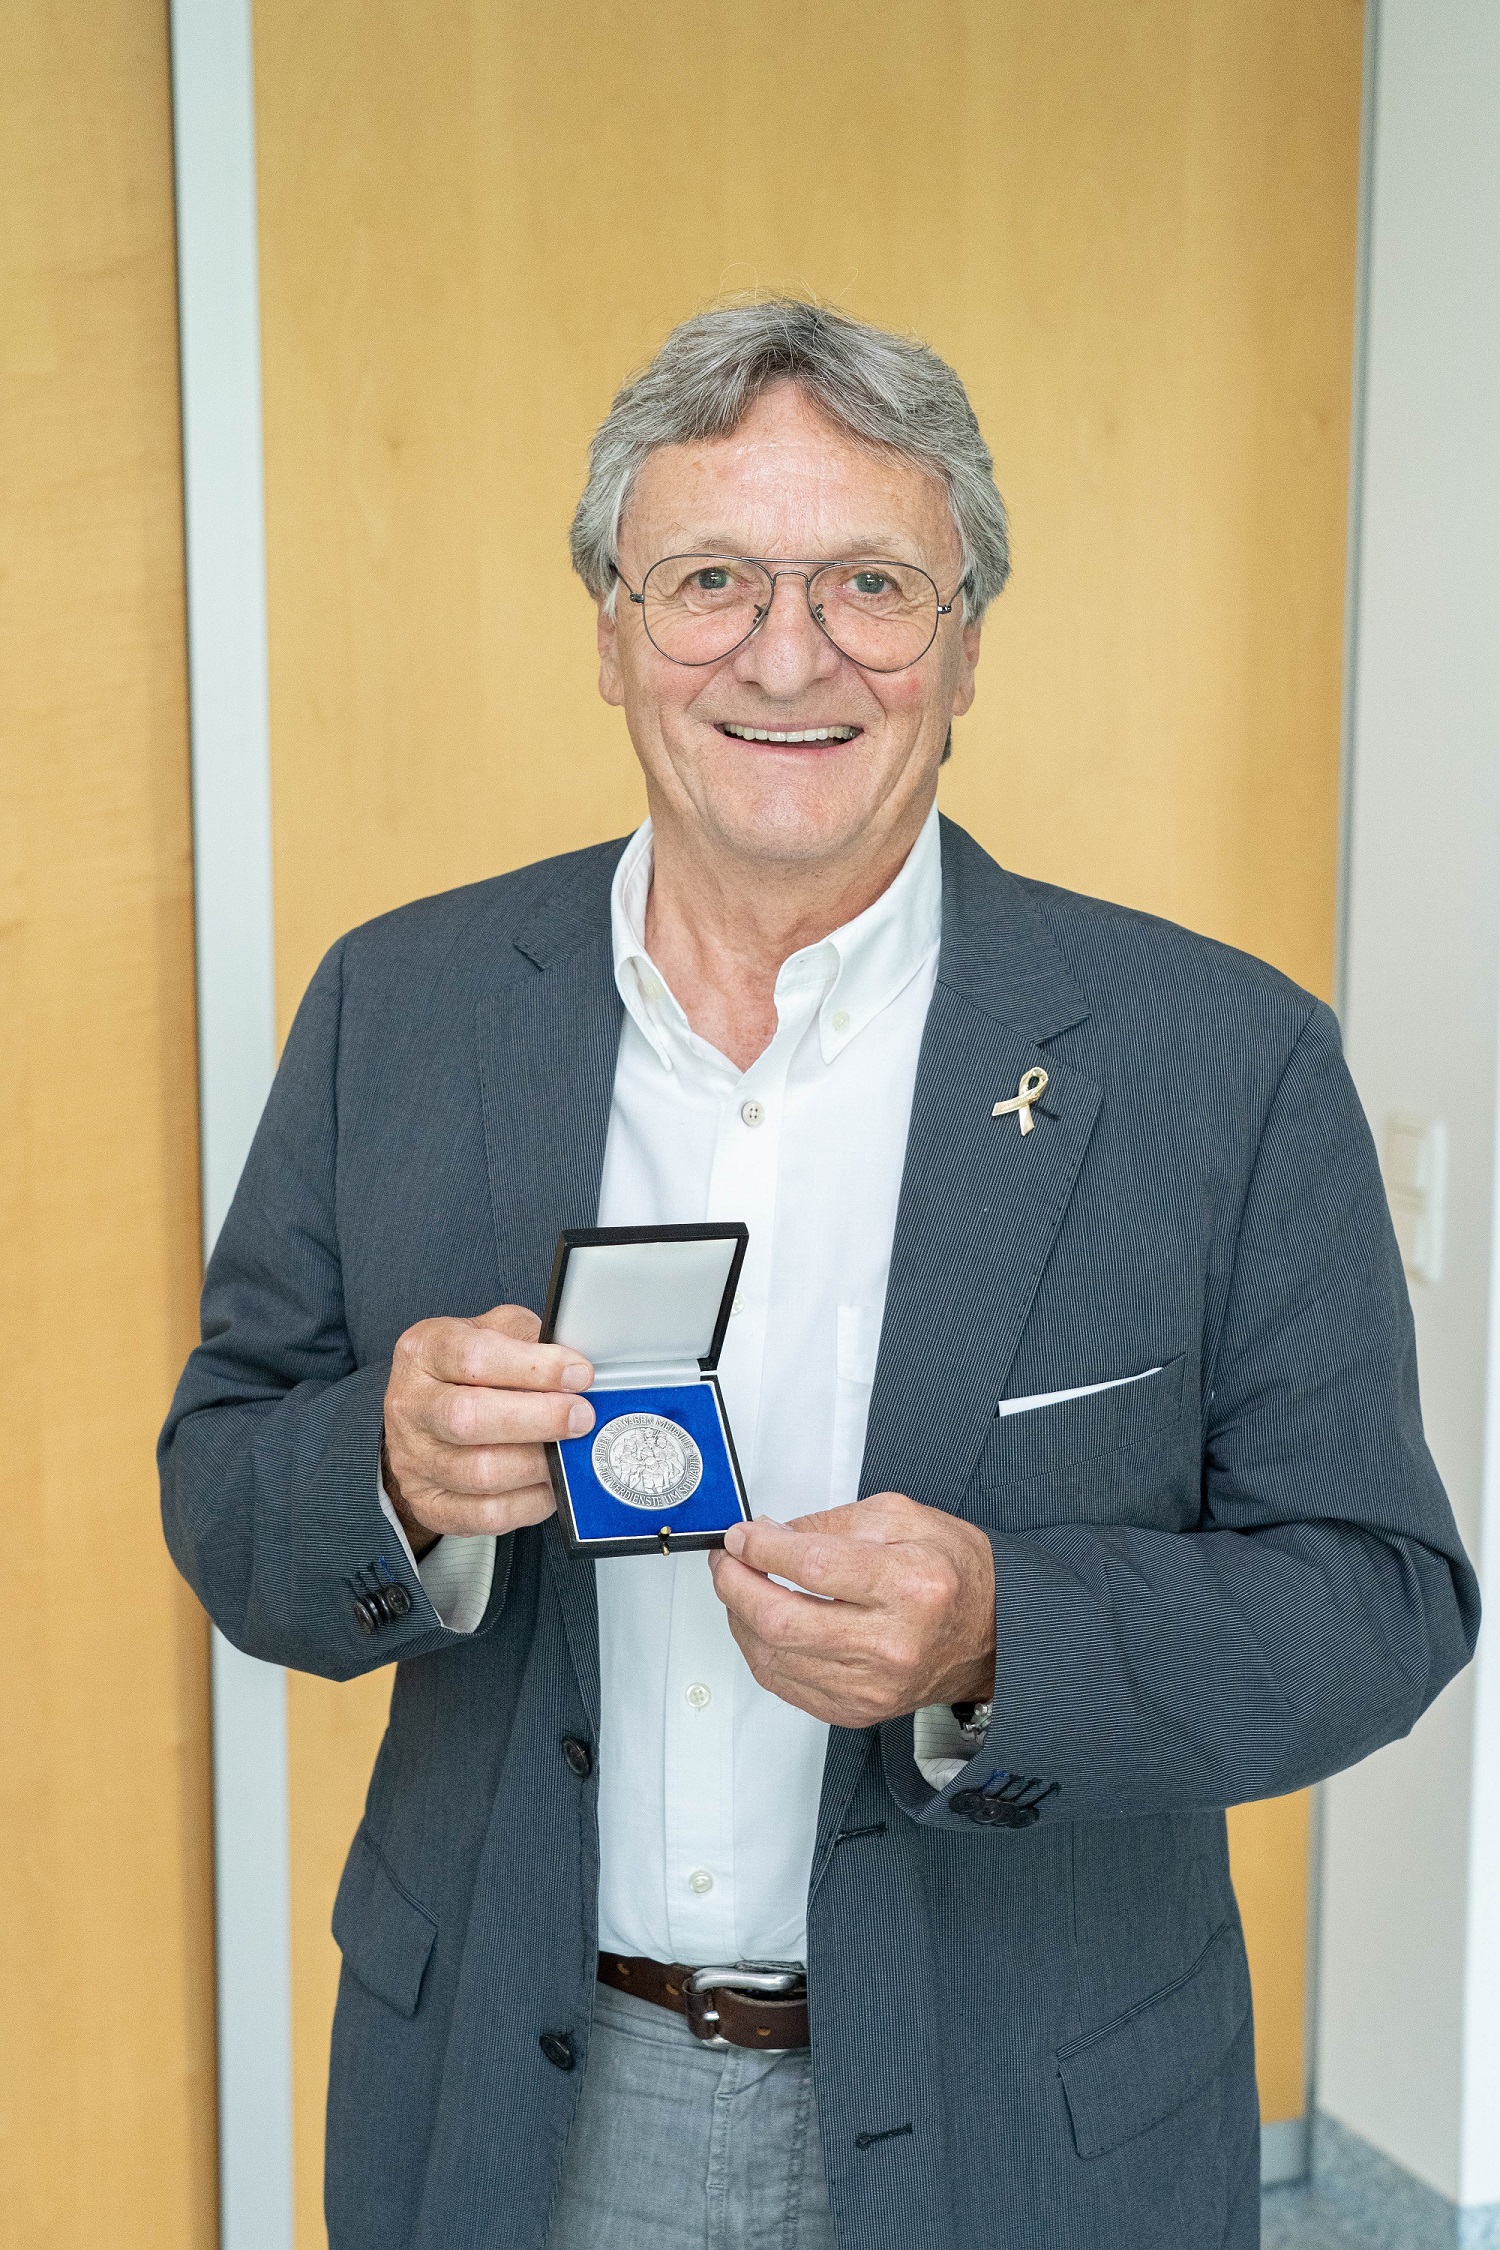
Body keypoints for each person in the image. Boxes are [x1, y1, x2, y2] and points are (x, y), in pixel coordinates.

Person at [160, 299, 1479, 2250]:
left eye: (870, 580)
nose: (790, 654)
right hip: (514, 2109)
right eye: (711, 580)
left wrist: (998, 1636)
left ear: (964, 648)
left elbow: (1377, 1603)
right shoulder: (403, 1009)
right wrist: (394, 1474)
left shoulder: (1221, 1061)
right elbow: (224, 1479)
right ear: (612, 632)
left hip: (1030, 2121)